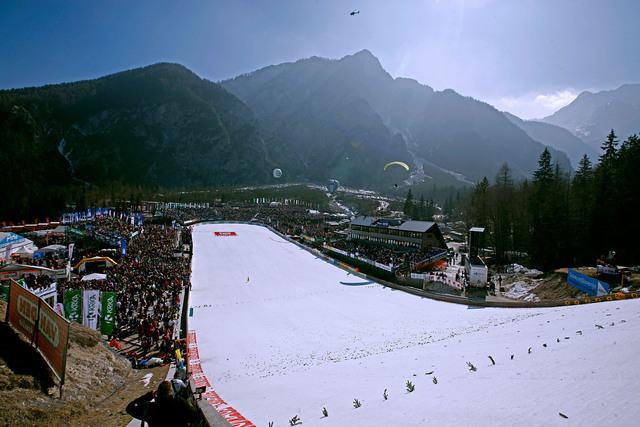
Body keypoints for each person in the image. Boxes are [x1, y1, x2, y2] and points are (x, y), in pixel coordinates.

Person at [126, 380, 198, 426]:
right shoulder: (179, 402)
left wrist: (148, 396)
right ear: (170, 391)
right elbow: (194, 417)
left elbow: (129, 408)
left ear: (158, 393)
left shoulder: (150, 408)